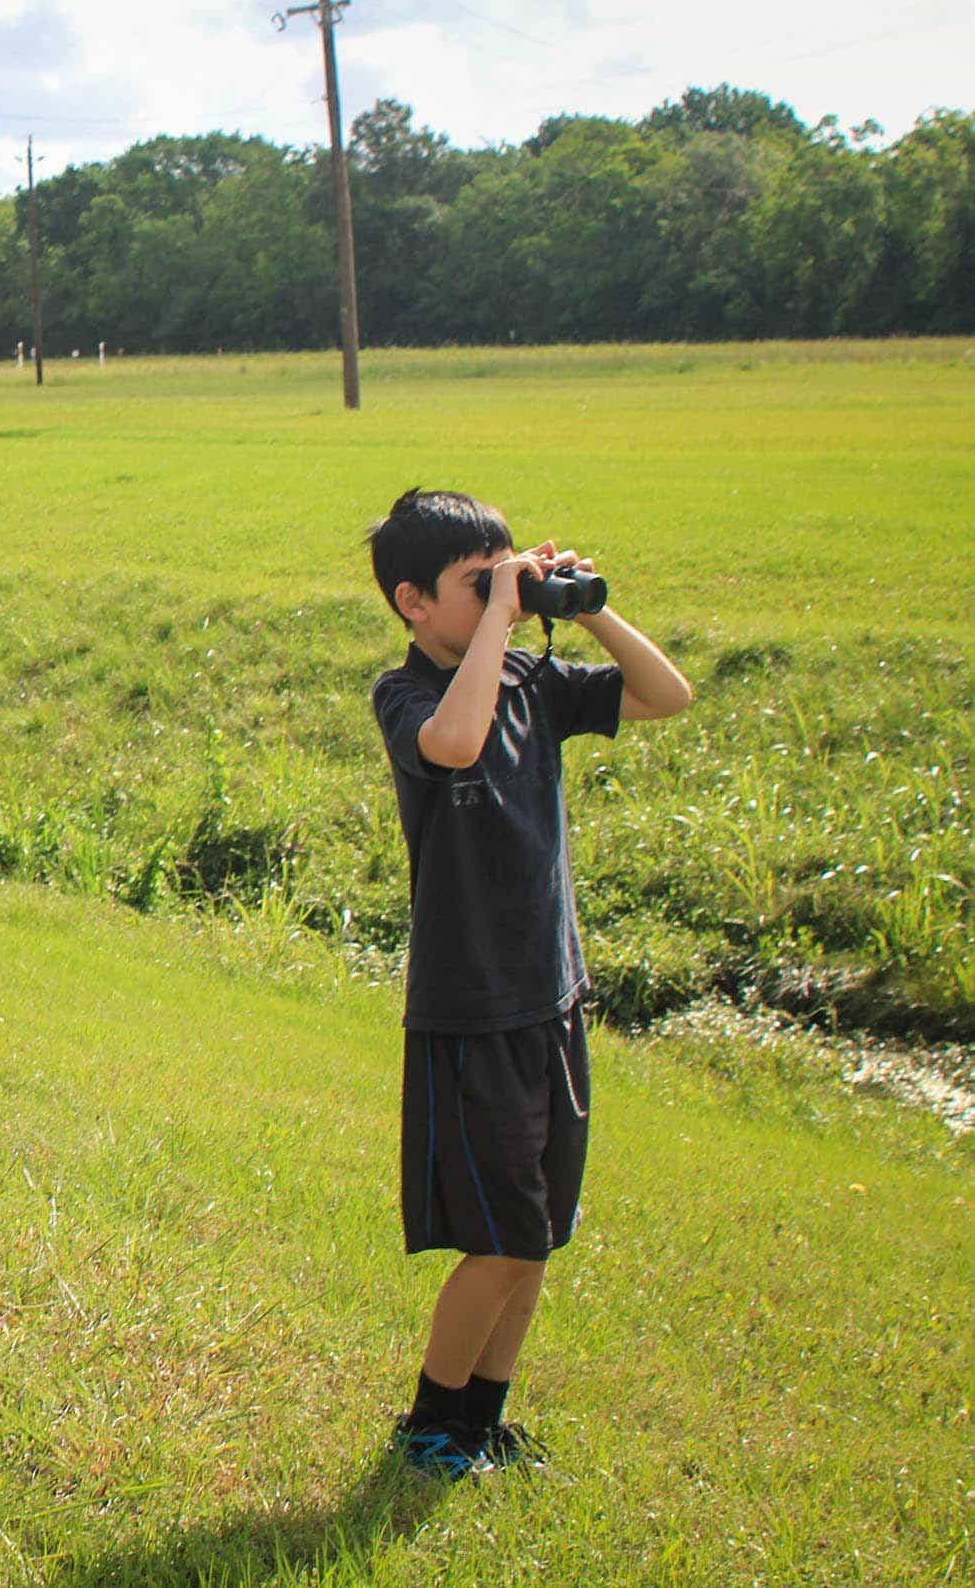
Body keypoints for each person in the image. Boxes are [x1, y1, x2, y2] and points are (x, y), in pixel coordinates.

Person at [366, 488, 693, 1479]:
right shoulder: (409, 694)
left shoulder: (529, 677)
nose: (503, 597)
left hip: (550, 992)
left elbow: (666, 693)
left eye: (508, 574)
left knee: (539, 1231)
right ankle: (429, 1423)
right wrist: (501, 623)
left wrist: (582, 604)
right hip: (471, 1005)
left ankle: (483, 1417)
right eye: (480, 583)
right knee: (499, 1234)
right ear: (412, 601)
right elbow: (454, 745)